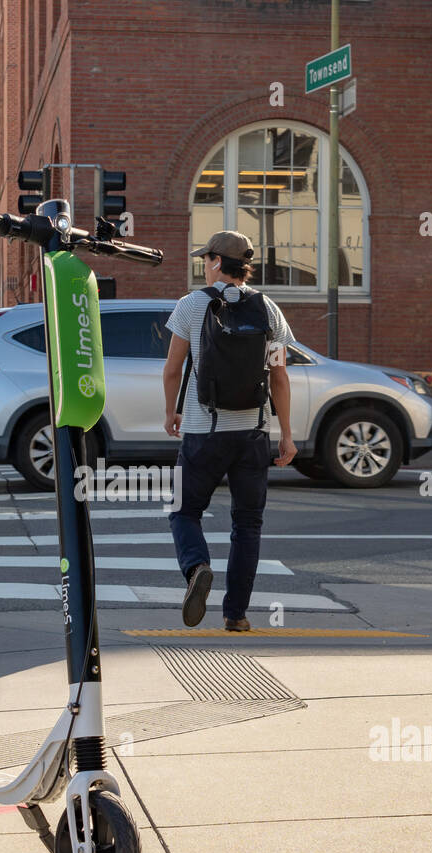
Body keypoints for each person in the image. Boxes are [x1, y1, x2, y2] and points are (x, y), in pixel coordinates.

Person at [162, 230, 297, 632]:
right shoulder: (269, 310)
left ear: (219, 262)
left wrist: (171, 412)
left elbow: (172, 369)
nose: (204, 265)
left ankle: (197, 566)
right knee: (247, 523)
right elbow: (280, 377)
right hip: (254, 434)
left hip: (205, 431)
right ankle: (236, 615)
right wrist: (286, 434)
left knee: (184, 510)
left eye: (207, 259)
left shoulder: (190, 306)